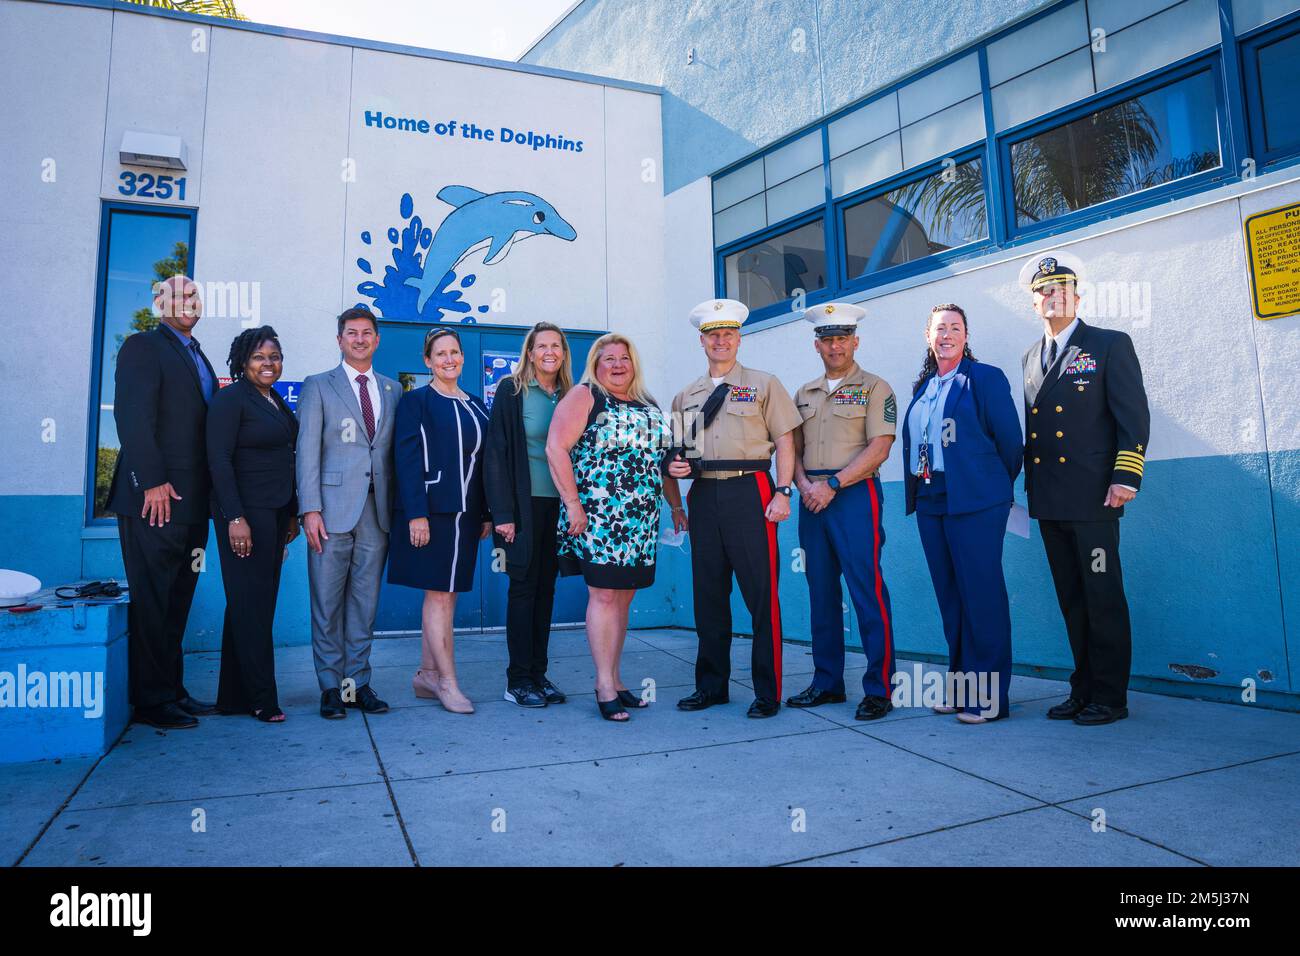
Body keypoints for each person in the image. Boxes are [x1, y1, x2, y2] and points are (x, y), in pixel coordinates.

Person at [1019, 252, 1150, 726]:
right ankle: (1083, 689)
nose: (1054, 297)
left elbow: (1133, 416)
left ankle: (1110, 696)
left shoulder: (1108, 344)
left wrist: (1126, 476)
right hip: (1050, 499)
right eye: (1045, 292)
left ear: (1078, 297)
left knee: (1102, 596)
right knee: (1072, 598)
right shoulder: (1030, 357)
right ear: (1034, 302)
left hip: (1095, 497)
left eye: (1063, 290)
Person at [667, 299, 802, 719]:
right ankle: (711, 687)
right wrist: (676, 479)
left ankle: (768, 692)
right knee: (708, 595)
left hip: (751, 490)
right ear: (702, 341)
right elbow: (677, 453)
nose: (720, 341)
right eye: (713, 335)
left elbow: (785, 441)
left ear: (739, 339)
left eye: (728, 334)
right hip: (704, 494)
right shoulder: (685, 395)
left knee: (761, 596)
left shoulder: (764, 384)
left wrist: (783, 491)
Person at [546, 333, 683, 722]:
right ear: (596, 364)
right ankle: (603, 684)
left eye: (624, 358)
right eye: (609, 358)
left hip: (641, 521)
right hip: (599, 518)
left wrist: (676, 504)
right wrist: (573, 504)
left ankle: (617, 679)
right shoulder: (586, 396)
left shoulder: (648, 404)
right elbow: (555, 448)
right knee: (604, 595)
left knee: (623, 598)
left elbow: (662, 461)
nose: (618, 365)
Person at [902, 304, 1023, 723]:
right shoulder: (925, 386)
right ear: (928, 336)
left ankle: (989, 698)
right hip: (931, 500)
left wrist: (990, 489)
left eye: (955, 327)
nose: (947, 334)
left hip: (976, 502)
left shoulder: (984, 378)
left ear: (966, 336)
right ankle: (961, 688)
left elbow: (1011, 443)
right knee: (951, 599)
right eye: (940, 328)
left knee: (981, 596)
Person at [108, 275, 219, 730]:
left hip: (192, 504)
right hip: (155, 501)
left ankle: (172, 690)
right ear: (160, 304)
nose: (189, 302)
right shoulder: (143, 346)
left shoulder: (199, 355)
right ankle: (150, 701)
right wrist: (151, 482)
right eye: (179, 295)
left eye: (194, 295)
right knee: (153, 600)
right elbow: (132, 417)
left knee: (177, 600)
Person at [787, 303, 899, 721]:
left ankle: (879, 688)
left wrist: (832, 485)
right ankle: (827, 682)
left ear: (856, 342)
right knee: (820, 592)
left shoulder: (876, 388)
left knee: (866, 590)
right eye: (828, 340)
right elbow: (793, 450)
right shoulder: (804, 393)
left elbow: (880, 448)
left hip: (853, 495)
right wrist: (804, 486)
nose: (835, 346)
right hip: (811, 498)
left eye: (842, 339)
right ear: (816, 345)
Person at [296, 306, 399, 720]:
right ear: (339, 339)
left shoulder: (393, 389)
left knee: (364, 603)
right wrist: (310, 509)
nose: (359, 339)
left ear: (377, 340)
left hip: (377, 512)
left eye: (366, 333)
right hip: (330, 512)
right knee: (327, 603)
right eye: (351, 333)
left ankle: (356, 683)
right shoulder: (318, 385)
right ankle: (329, 687)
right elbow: (307, 451)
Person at [389, 327, 491, 715]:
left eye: (454, 352)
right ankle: (447, 681)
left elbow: (484, 464)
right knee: (439, 596)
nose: (449, 359)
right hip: (433, 513)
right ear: (427, 361)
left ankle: (427, 674)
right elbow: (406, 461)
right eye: (440, 354)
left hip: (467, 515)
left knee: (447, 594)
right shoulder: (416, 402)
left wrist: (486, 513)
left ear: (462, 357)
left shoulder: (477, 405)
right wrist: (416, 514)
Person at [206, 326, 300, 723]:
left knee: (247, 605)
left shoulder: (274, 400)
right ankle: (263, 699)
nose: (268, 363)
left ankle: (232, 696)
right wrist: (235, 517)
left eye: (274, 357)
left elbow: (287, 458)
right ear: (243, 362)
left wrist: (292, 512)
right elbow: (219, 460)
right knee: (253, 606)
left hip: (274, 513)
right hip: (245, 514)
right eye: (260, 357)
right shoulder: (230, 400)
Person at [484, 322, 574, 708]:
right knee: (523, 590)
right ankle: (517, 680)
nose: (549, 352)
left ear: (564, 353)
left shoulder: (571, 395)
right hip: (522, 508)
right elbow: (495, 454)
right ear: (531, 353)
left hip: (560, 506)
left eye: (556, 346)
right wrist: (502, 512)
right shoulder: (512, 390)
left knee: (546, 590)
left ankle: (539, 674)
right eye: (542, 346)